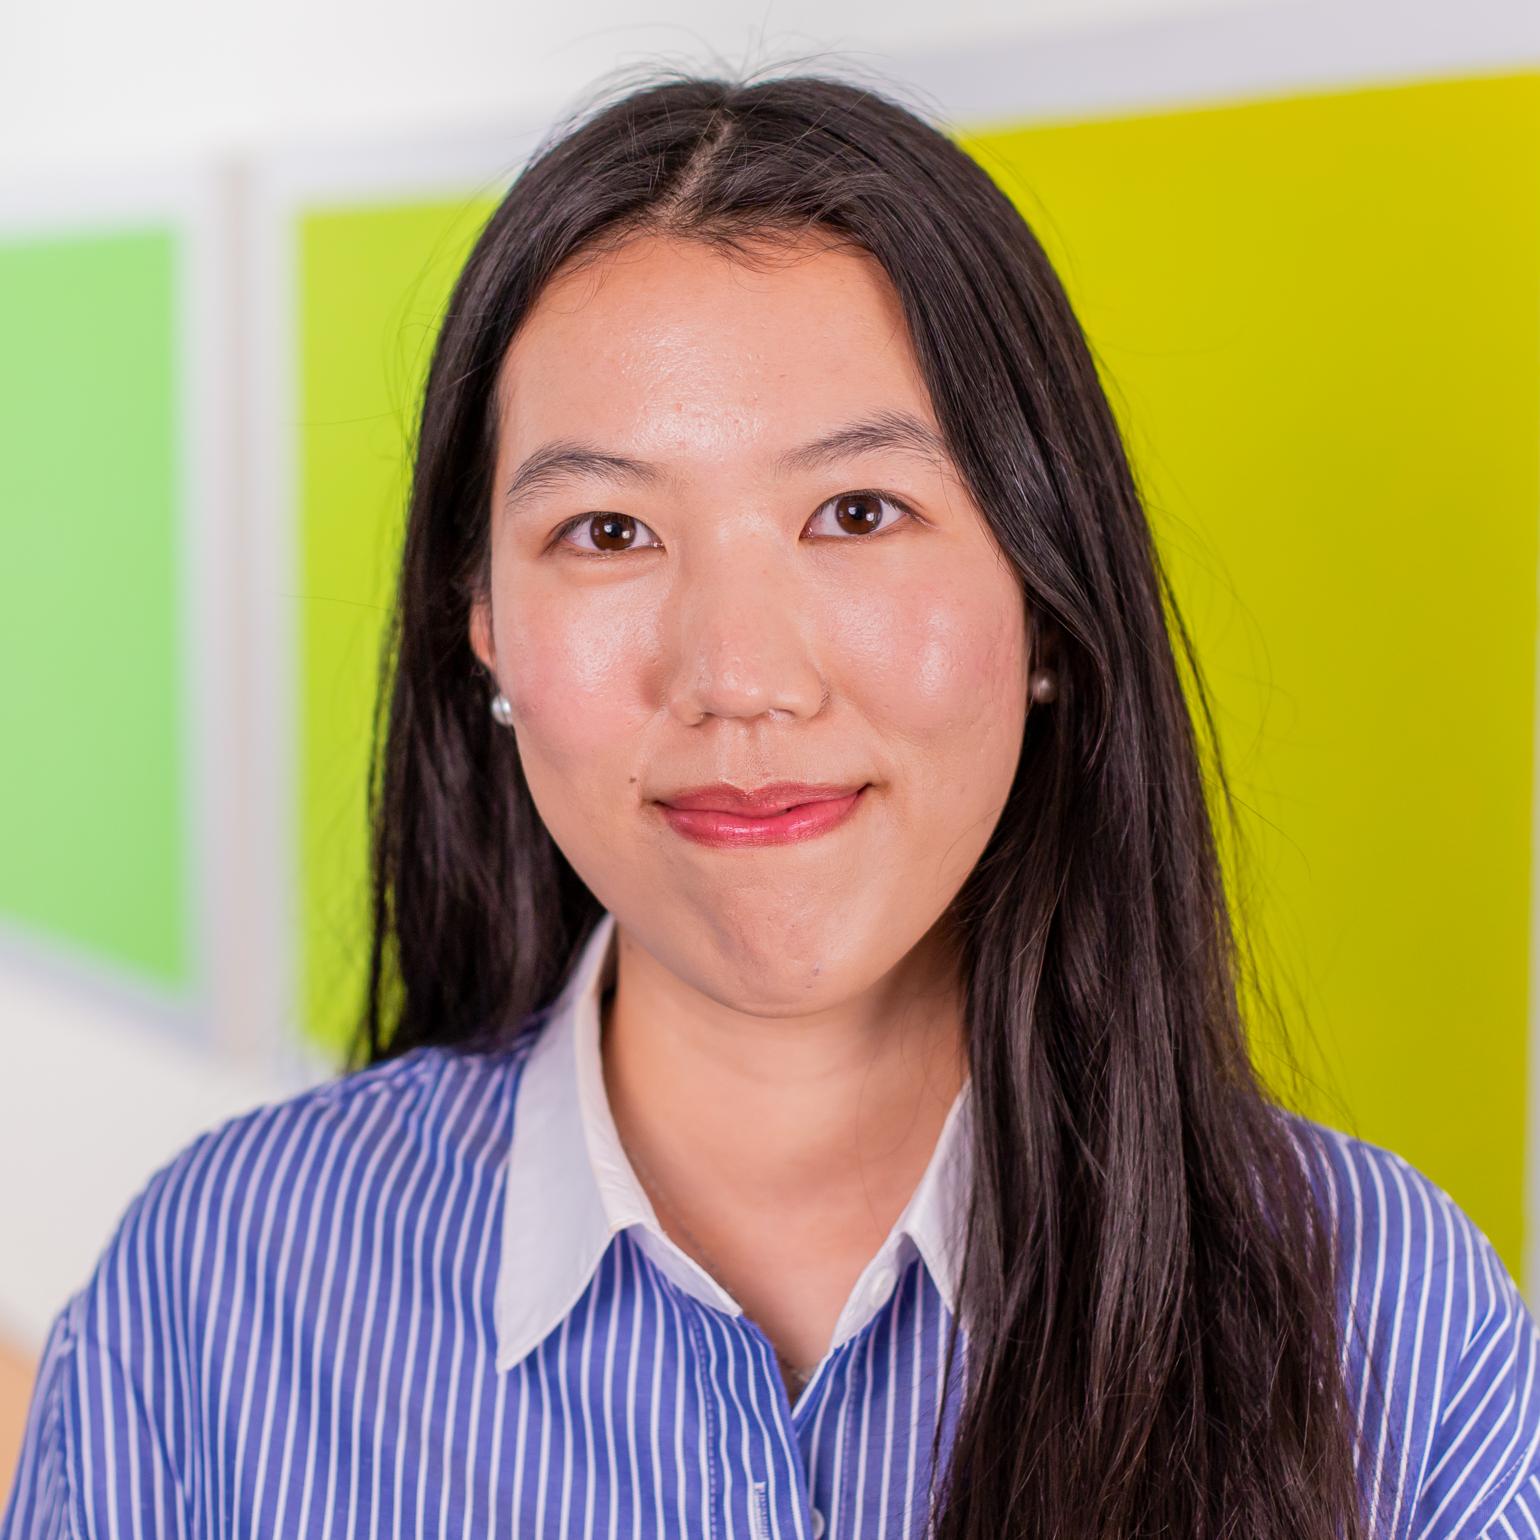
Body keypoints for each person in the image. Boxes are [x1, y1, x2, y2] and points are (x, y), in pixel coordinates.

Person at [4, 65, 1538, 1540]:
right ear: (482, 626)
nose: (739, 678)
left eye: (858, 512)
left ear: (1048, 601)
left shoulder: (1390, 1319)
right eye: (607, 529)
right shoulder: (213, 1297)